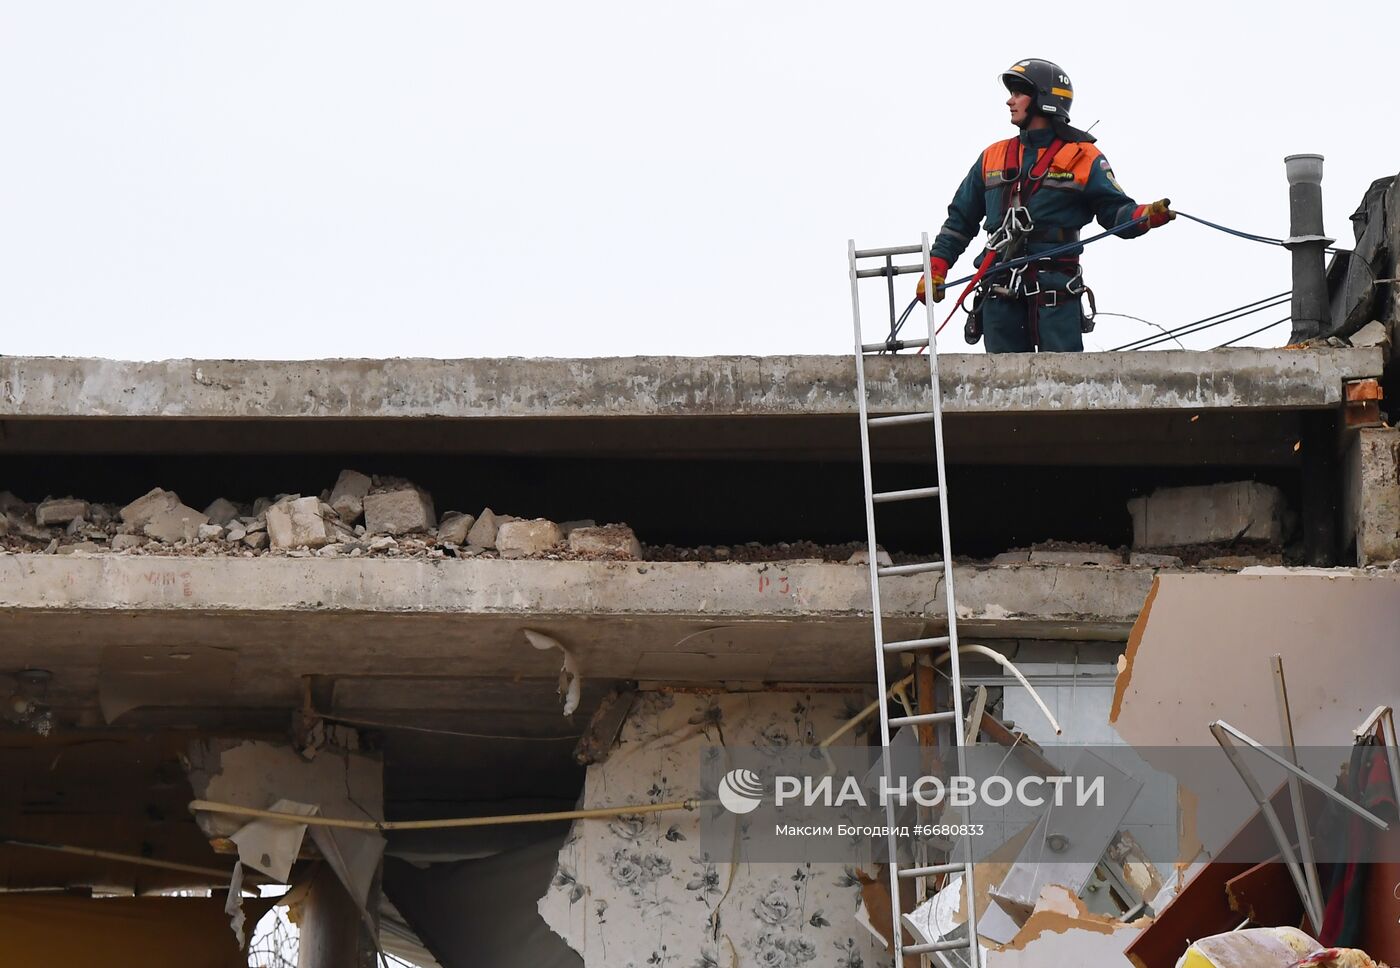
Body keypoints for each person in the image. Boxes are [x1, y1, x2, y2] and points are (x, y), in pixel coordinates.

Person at [917, 58, 1174, 353]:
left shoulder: (1082, 157)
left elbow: (1115, 212)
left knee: (1064, 379)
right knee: (1003, 378)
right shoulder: (992, 157)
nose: (1010, 101)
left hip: (1056, 297)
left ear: (1043, 99)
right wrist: (937, 266)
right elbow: (960, 220)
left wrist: (1146, 216)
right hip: (1000, 293)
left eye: (1018, 93)